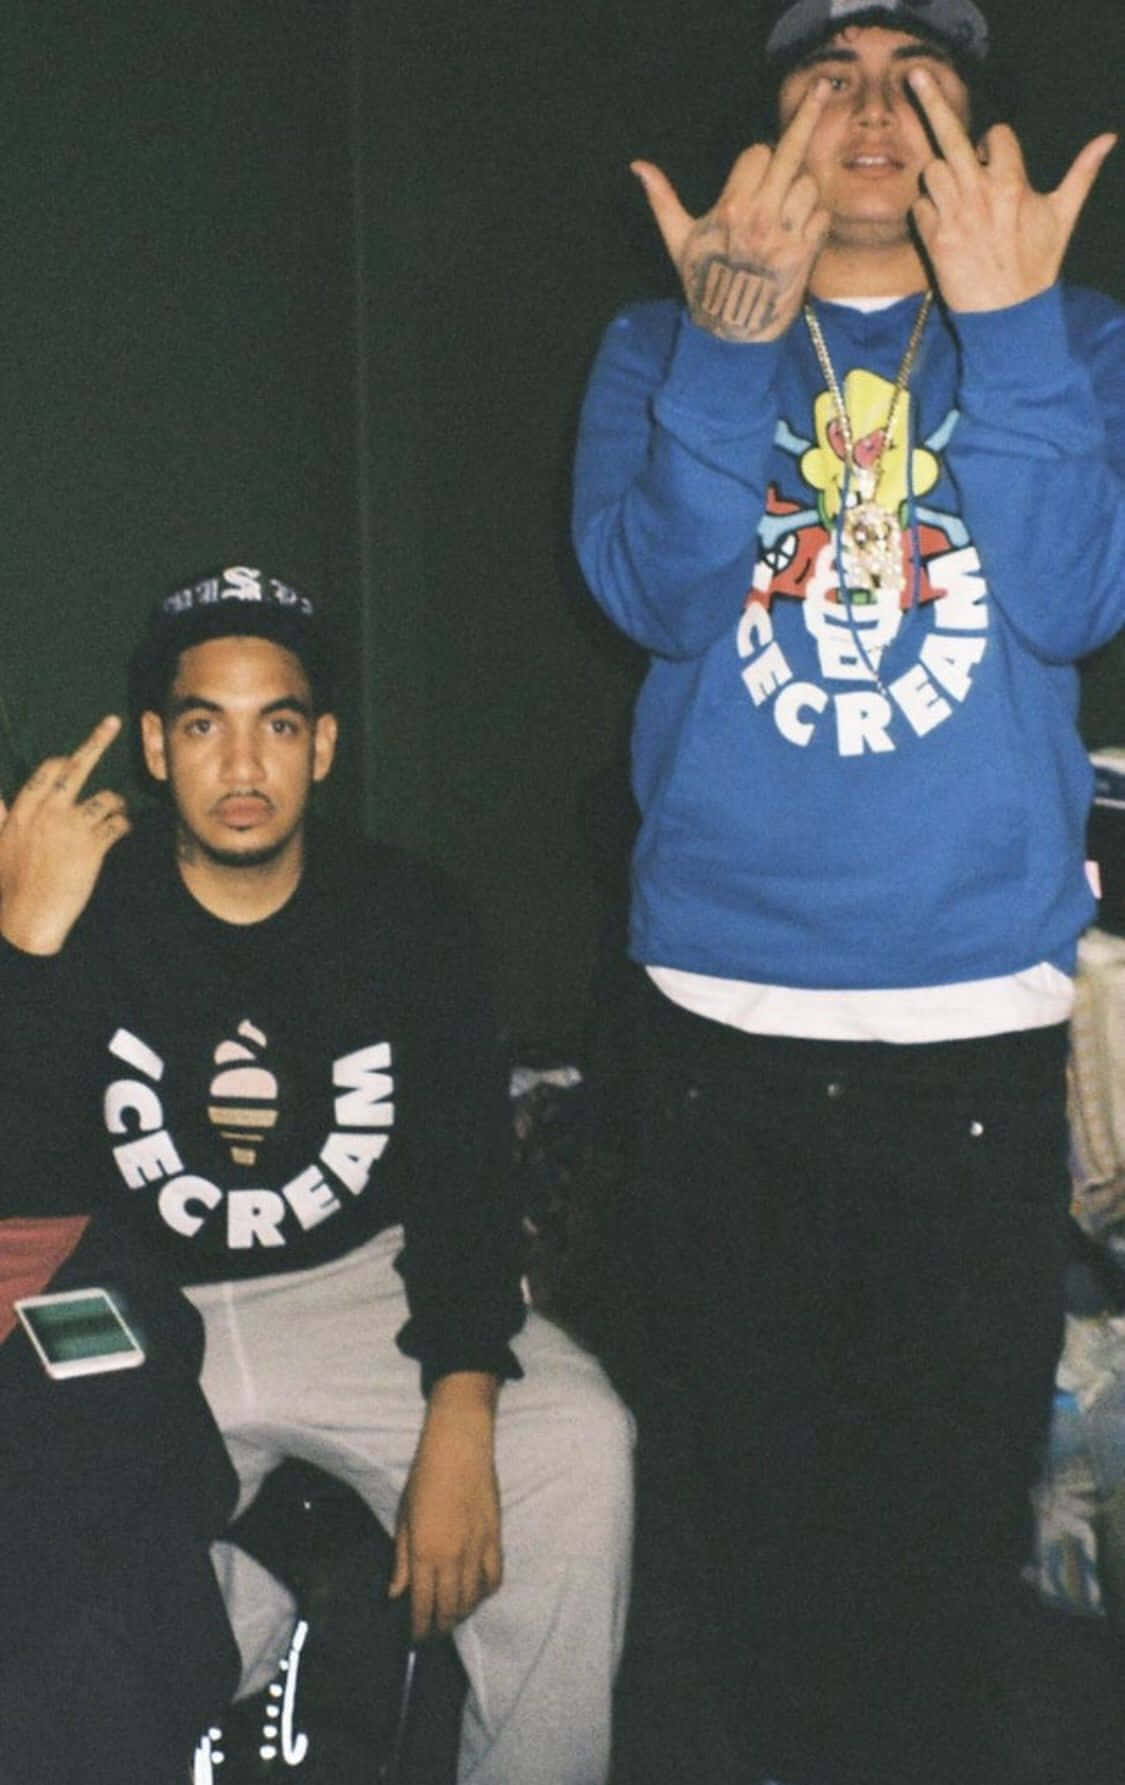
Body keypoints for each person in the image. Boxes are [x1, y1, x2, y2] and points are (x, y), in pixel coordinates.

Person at [572, 3, 1124, 1782]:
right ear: (771, 125)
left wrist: (1020, 328)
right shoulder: (653, 342)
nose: (873, 107)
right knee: (736, 1555)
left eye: (919, 73)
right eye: (830, 69)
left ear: (980, 122)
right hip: (717, 1047)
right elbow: (658, 595)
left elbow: (1067, 598)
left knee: (939, 1558)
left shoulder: (1083, 343)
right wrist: (730, 346)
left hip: (968, 1059)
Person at [0, 565, 634, 1784]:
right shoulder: (86, 905)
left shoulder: (408, 916)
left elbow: (464, 1186)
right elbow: (18, 1191)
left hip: (358, 1290)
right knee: (63, 1569)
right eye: (204, 725)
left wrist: (462, 1399)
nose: (243, 766)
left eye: (276, 724)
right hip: (143, 1307)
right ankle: (265, 1612)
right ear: (152, 745)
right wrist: (23, 945)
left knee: (578, 1445)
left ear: (325, 744)